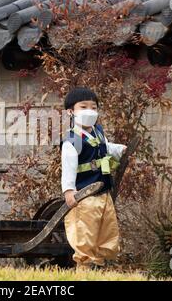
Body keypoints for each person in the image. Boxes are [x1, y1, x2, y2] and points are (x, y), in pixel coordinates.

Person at [61, 87, 127, 270]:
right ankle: (84, 268)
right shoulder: (72, 140)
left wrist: (118, 149)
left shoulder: (98, 132)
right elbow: (68, 167)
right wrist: (68, 190)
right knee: (86, 229)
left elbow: (105, 147)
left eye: (93, 107)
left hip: (102, 191)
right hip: (84, 193)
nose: (89, 111)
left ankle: (98, 266)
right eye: (83, 107)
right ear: (71, 111)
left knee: (105, 229)